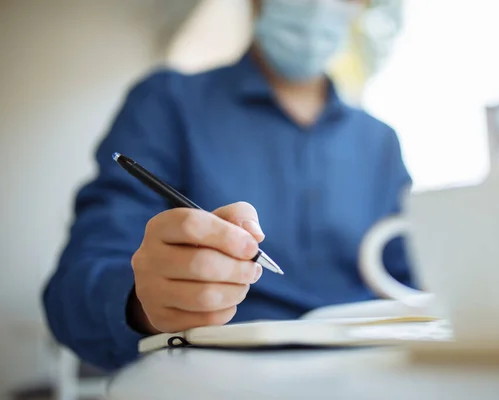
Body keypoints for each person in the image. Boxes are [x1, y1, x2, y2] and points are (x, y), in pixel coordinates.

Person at [43, 0, 414, 371]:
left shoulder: (381, 142)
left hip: (368, 369)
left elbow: (415, 282)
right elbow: (72, 293)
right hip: (217, 375)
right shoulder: (168, 104)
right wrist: (145, 301)